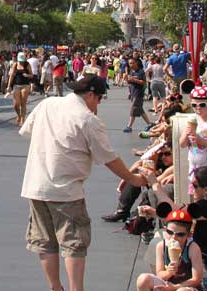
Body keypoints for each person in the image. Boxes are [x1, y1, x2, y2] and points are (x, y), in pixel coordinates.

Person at [20, 74, 147, 291]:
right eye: (99, 99)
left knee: (44, 241)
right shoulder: (88, 120)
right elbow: (109, 158)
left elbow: (27, 131)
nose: (98, 104)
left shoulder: (46, 104)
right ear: (90, 95)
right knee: (74, 243)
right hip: (66, 191)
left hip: (36, 185)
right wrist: (134, 178)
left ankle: (55, 287)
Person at [134, 208, 207, 291]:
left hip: (187, 287)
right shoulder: (161, 246)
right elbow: (160, 274)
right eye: (170, 232)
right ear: (165, 230)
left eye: (180, 234)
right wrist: (169, 272)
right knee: (143, 280)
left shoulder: (192, 248)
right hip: (168, 284)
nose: (174, 237)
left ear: (189, 235)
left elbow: (196, 280)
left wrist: (174, 288)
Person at [124, 58, 153, 133]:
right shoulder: (131, 71)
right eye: (130, 63)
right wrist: (126, 79)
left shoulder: (140, 72)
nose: (131, 65)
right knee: (140, 109)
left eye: (132, 63)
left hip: (139, 93)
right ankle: (149, 124)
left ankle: (129, 126)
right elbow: (129, 82)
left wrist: (135, 80)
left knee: (133, 108)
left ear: (136, 63)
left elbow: (144, 82)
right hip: (133, 92)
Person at [6, 52, 34, 127]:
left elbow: (32, 75)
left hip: (25, 85)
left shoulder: (27, 64)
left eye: (22, 60)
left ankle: (23, 119)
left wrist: (27, 75)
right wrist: (8, 86)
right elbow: (11, 75)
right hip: (16, 85)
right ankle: (19, 115)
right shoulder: (15, 64)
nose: (21, 62)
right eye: (20, 60)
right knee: (16, 104)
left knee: (23, 103)